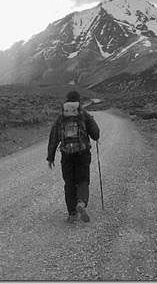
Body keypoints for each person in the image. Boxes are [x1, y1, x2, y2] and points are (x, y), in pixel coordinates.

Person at [47, 90, 100, 223]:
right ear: (78, 100)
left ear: (66, 100)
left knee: (69, 183)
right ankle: (81, 202)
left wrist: (50, 157)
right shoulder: (83, 115)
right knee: (82, 180)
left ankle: (72, 213)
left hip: (66, 155)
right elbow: (96, 134)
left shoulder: (61, 117)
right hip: (83, 153)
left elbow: (53, 138)